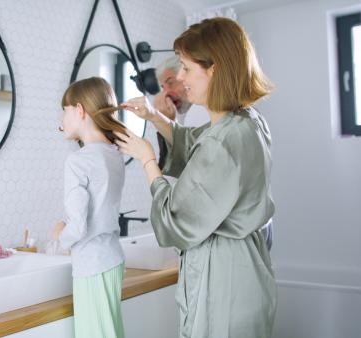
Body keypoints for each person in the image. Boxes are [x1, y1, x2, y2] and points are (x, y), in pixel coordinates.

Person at [115, 17, 277, 337]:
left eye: (187, 68)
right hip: (247, 271)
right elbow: (193, 144)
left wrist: (147, 158)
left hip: (224, 280)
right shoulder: (246, 122)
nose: (180, 77)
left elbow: (175, 220)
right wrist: (153, 115)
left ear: (214, 69)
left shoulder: (223, 139)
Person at [154, 56, 273, 251]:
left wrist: (147, 160)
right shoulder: (245, 116)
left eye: (172, 82)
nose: (166, 93)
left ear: (212, 71)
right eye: (162, 87)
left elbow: (196, 174)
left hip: (228, 237)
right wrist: (158, 118)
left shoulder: (204, 115)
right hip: (256, 228)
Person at [51, 77, 127, 338]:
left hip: (92, 265)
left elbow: (79, 227)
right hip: (113, 259)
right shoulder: (115, 155)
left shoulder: (78, 161)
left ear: (80, 110)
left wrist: (60, 235)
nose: (61, 118)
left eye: (65, 110)